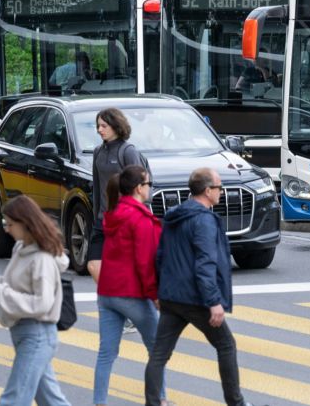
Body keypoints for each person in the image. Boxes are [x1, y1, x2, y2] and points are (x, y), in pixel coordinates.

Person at [145, 168, 260, 406]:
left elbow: (160, 256)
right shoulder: (204, 220)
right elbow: (205, 264)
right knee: (226, 344)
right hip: (195, 298)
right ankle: (236, 402)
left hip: (171, 296)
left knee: (159, 354)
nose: (221, 192)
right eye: (219, 188)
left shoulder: (173, 216)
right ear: (208, 191)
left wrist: (158, 291)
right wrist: (213, 301)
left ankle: (153, 402)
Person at [0, 195, 71, 406]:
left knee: (13, 399)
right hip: (25, 332)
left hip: (37, 334)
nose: (6, 229)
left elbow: (42, 303)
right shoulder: (21, 249)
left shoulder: (42, 259)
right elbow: (20, 284)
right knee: (51, 400)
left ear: (26, 223)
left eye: (10, 224)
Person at [94, 165, 168, 406]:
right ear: (138, 188)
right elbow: (146, 263)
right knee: (157, 350)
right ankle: (160, 399)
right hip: (132, 293)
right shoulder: (140, 218)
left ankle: (99, 403)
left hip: (107, 292)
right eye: (148, 184)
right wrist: (155, 295)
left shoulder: (114, 213)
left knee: (106, 353)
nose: (150, 188)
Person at [88, 108, 143, 283]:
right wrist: (97, 215)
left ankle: (117, 293)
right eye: (98, 126)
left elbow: (138, 186)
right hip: (102, 218)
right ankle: (109, 291)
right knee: (93, 264)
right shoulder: (98, 151)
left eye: (104, 126)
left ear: (116, 126)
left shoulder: (128, 151)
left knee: (122, 265)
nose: (99, 130)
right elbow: (97, 186)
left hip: (123, 219)